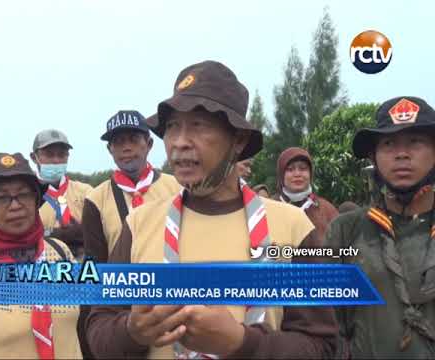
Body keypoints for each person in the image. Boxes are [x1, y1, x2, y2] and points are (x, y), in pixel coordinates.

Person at [85, 60, 338, 359]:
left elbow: (324, 348)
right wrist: (131, 332)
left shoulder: (292, 226)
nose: (179, 142)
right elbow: (97, 326)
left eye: (198, 126)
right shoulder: (140, 224)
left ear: (238, 140)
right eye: (172, 127)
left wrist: (243, 344)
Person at [325, 96, 435, 358]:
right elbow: (331, 326)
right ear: (373, 156)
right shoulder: (346, 230)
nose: (402, 154)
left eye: (415, 142)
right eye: (388, 143)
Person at [0, 153, 82, 359]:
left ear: (36, 200)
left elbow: (81, 330)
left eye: (23, 194)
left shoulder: (60, 252)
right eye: (2, 197)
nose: (15, 205)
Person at [82, 110, 180, 263]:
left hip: (172, 282)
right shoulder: (95, 200)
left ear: (149, 144)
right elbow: (95, 265)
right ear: (110, 149)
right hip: (121, 285)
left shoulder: (177, 188)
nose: (126, 147)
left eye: (134, 139)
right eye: (119, 141)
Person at [30, 129, 93, 260]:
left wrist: (83, 233)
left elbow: (103, 231)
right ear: (33, 157)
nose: (56, 160)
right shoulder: (27, 195)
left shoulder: (86, 192)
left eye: (62, 155)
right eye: (49, 155)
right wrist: (54, 234)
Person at [274, 147, 339, 242]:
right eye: (290, 169)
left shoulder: (327, 210)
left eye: (303, 168)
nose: (297, 174)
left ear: (310, 174)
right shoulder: (270, 209)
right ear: (281, 175)